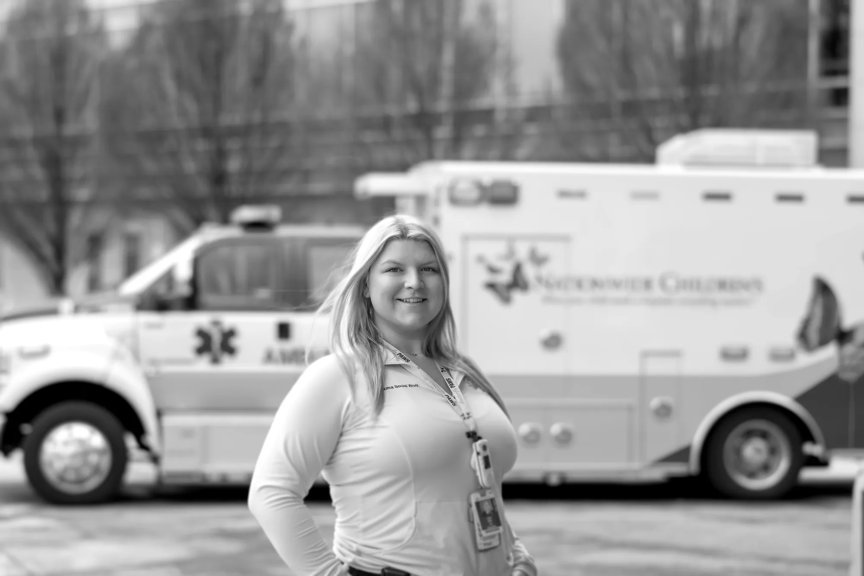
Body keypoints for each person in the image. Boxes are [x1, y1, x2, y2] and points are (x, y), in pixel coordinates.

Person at [248, 214, 538, 576]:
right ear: (366, 285)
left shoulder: (464, 371)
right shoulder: (337, 377)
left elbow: (479, 487)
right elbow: (270, 494)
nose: (414, 282)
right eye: (394, 269)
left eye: (429, 269)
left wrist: (517, 553)